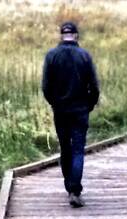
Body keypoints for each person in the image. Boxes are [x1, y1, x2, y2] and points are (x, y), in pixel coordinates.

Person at [41, 21, 100, 208]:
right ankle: (75, 189)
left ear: (61, 36)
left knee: (65, 148)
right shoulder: (85, 56)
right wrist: (89, 105)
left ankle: (70, 186)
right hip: (80, 111)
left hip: (61, 110)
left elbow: (46, 87)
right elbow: (94, 87)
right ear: (76, 36)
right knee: (78, 149)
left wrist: (54, 103)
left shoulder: (51, 56)